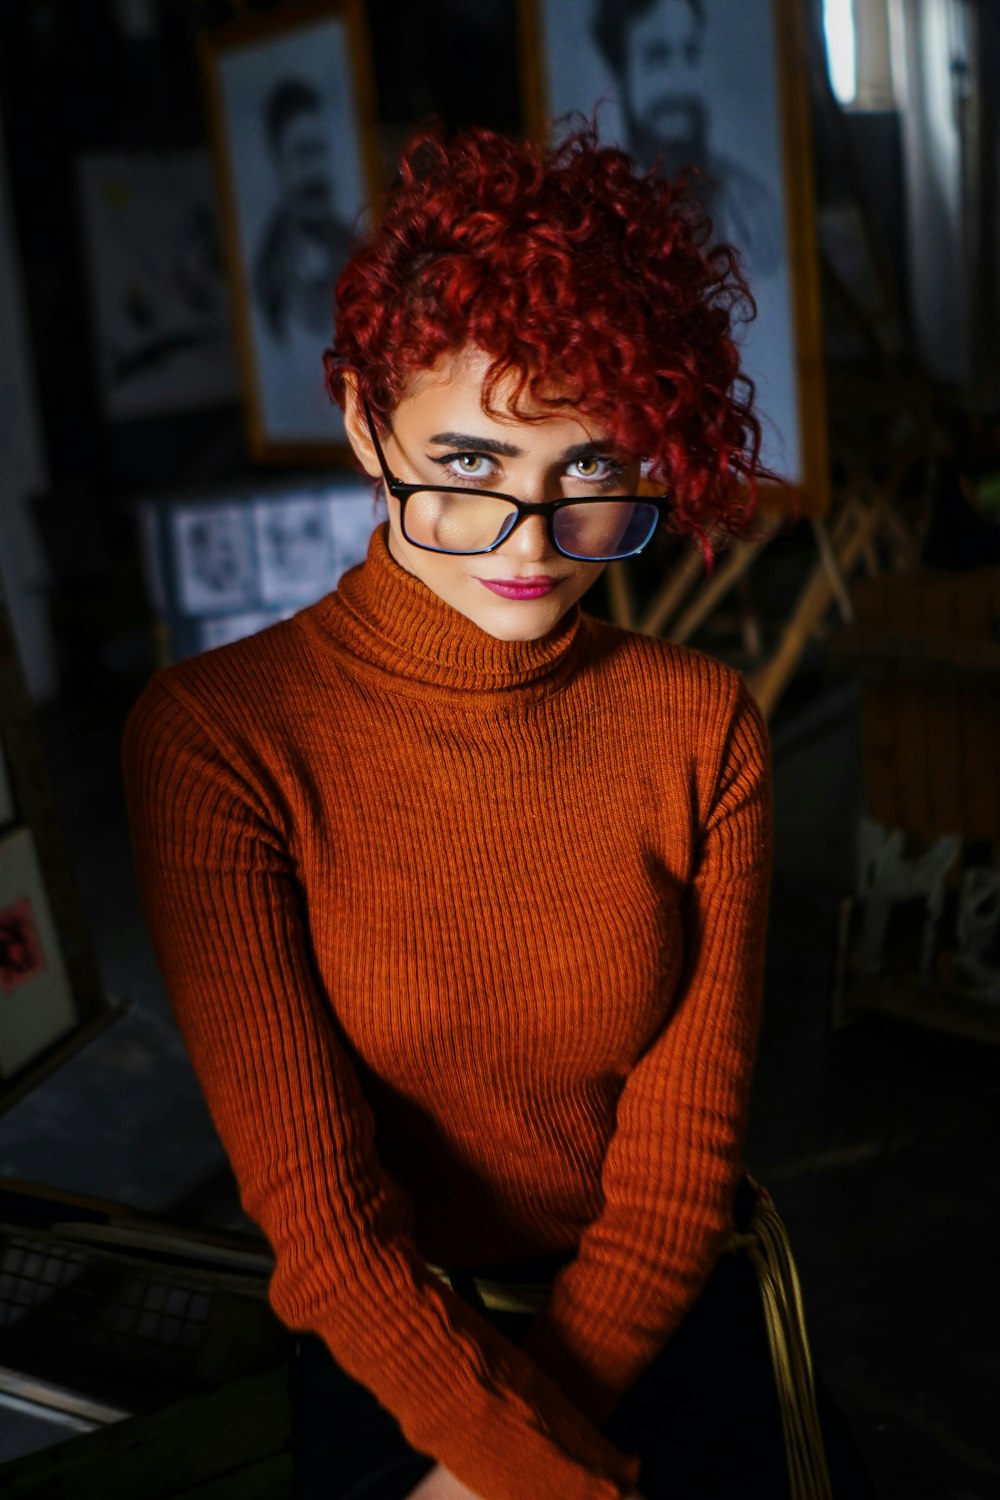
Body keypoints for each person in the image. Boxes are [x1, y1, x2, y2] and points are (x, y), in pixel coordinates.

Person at [125, 124, 799, 1498]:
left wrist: (521, 1465)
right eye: (475, 465)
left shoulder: (699, 727)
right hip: (398, 1339)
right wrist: (510, 1466)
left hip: (662, 1307)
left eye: (593, 471)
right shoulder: (222, 743)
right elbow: (324, 1223)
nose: (534, 545)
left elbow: (678, 1179)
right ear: (370, 427)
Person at [591, 0, 782, 275]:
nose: (681, 83)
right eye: (657, 58)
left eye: (691, 53)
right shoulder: (593, 221)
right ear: (618, 72)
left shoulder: (750, 209)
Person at [252, 78, 354, 342]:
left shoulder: (357, 253)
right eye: (303, 154)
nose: (315, 170)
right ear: (278, 162)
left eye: (320, 151)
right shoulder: (267, 275)